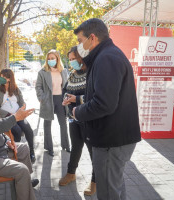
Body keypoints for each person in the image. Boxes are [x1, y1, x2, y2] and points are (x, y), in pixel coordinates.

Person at [72, 18, 141, 200]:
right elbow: (102, 94)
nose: (79, 46)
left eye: (80, 41)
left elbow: (104, 103)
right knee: (115, 188)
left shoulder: (107, 58)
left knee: (109, 193)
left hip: (112, 140)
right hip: (115, 138)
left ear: (92, 38)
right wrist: (82, 99)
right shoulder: (107, 55)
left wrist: (78, 112)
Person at [59, 46, 96, 196]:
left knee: (93, 151)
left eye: (74, 59)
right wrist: (65, 99)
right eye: (70, 59)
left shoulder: (92, 73)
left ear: (82, 58)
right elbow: (65, 91)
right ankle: (71, 173)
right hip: (73, 119)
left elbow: (95, 97)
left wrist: (77, 99)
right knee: (75, 147)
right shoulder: (72, 75)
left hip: (88, 120)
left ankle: (95, 181)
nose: (72, 62)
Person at [0, 69, 36, 163]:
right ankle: (16, 152)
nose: (2, 78)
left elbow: (22, 102)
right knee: (17, 131)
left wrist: (21, 110)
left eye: (4, 77)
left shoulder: (16, 89)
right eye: (1, 76)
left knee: (28, 129)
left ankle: (31, 151)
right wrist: (10, 114)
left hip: (19, 115)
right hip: (7, 117)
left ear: (10, 78)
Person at [35, 49, 70, 157]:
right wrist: (42, 98)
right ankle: (49, 148)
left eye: (52, 58)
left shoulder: (63, 71)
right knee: (47, 125)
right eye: (49, 59)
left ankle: (66, 145)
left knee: (63, 124)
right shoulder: (42, 72)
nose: (50, 60)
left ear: (57, 59)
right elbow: (38, 87)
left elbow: (67, 86)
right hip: (48, 99)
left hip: (60, 100)